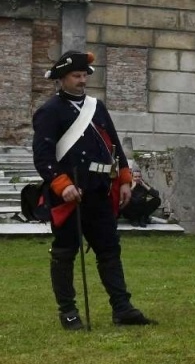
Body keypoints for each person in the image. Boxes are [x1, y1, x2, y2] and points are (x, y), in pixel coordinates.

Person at [32, 49, 153, 330]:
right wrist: (62, 185)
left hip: (99, 190)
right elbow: (43, 157)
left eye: (84, 75)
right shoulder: (49, 112)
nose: (82, 80)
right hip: (70, 194)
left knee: (110, 250)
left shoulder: (96, 107)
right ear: (63, 78)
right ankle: (69, 312)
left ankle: (122, 308)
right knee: (64, 253)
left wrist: (124, 179)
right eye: (76, 75)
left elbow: (115, 146)